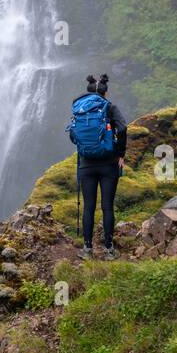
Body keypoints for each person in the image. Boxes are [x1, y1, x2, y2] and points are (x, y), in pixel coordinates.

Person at [69, 73, 127, 260]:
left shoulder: (79, 109)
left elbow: (72, 135)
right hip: (109, 164)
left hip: (86, 165)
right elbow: (123, 128)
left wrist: (84, 145)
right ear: (105, 92)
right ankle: (109, 250)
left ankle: (87, 249)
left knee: (89, 206)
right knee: (107, 206)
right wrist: (120, 153)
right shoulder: (109, 107)